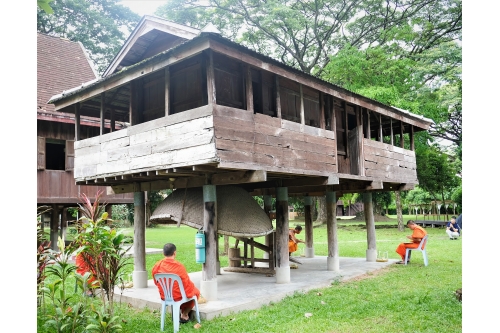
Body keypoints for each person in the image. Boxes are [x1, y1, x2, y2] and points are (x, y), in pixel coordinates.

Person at [152, 243, 201, 323]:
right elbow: (186, 284)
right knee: (196, 292)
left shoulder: (157, 266)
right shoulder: (179, 266)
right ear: (175, 253)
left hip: (165, 296)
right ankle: (185, 313)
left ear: (163, 253)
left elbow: (156, 282)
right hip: (178, 296)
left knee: (188, 291)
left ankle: (183, 312)